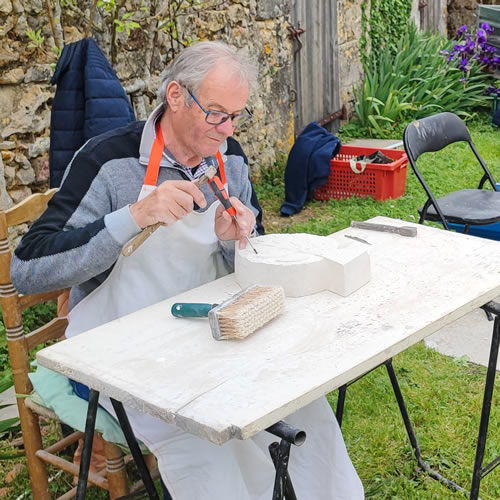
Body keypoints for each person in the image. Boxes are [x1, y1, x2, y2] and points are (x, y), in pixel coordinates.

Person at [11, 41, 364, 499]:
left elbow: (249, 261)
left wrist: (236, 237)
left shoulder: (230, 158)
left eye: (237, 116)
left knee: (304, 413)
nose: (227, 130)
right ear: (175, 96)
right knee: (208, 451)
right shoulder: (107, 162)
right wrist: (133, 217)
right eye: (217, 114)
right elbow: (29, 267)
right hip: (122, 349)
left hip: (210, 333)